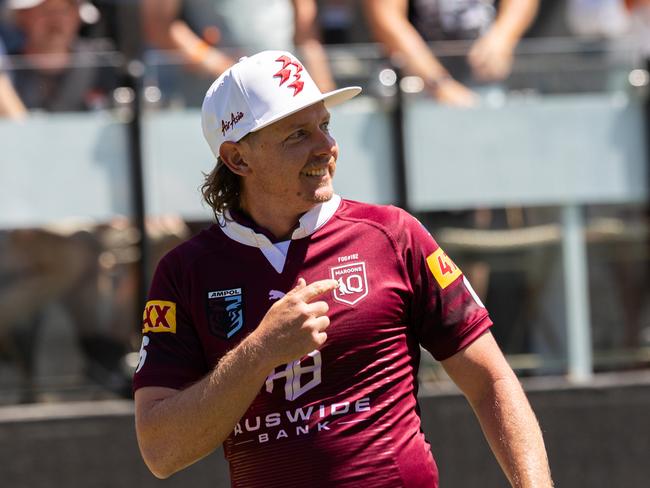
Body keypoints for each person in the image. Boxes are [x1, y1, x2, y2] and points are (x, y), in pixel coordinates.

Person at [133, 50, 553, 487]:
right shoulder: (184, 273)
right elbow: (160, 451)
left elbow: (491, 381)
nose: (326, 147)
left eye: (325, 125)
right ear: (238, 159)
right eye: (297, 134)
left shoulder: (394, 235)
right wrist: (261, 352)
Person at [362, 0, 539, 106]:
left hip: (490, 86)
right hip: (417, 93)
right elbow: (385, 17)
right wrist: (439, 83)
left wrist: (504, 34)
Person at [141, 0, 335, 92]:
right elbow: (158, 25)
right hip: (214, 102)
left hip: (285, 90)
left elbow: (306, 27)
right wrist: (224, 69)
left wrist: (323, 94)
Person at [7, 0, 117, 111]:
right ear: (22, 16)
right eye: (46, 11)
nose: (56, 19)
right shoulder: (6, 69)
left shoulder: (100, 66)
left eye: (64, 11)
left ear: (77, 16)